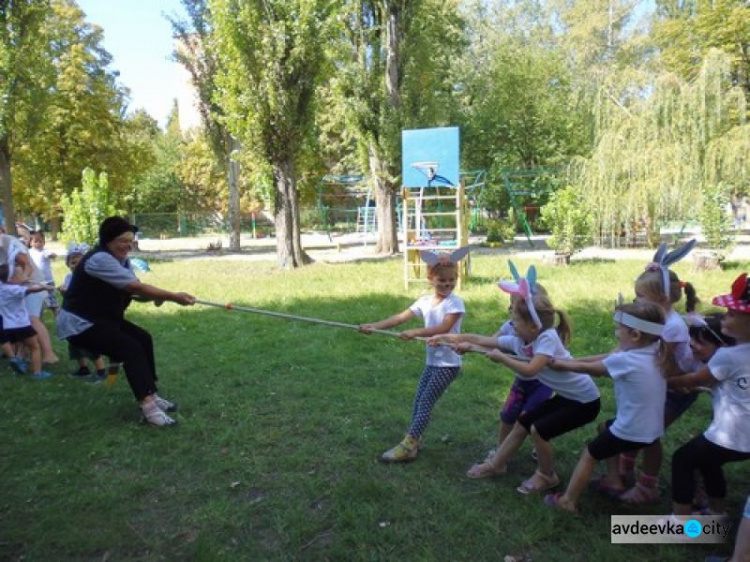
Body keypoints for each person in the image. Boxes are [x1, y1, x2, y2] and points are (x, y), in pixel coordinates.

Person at [435, 271, 600, 494]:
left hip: (585, 402)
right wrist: (449, 339)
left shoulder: (546, 339)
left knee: (538, 431)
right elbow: (482, 340)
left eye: (515, 321)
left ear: (532, 326)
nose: (511, 325)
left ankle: (546, 475)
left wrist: (502, 357)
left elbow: (531, 369)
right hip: (568, 397)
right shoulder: (521, 339)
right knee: (523, 423)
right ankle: (495, 465)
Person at [56, 217, 196, 427]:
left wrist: (158, 296)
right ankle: (149, 409)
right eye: (123, 240)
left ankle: (151, 394)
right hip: (80, 322)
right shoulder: (99, 259)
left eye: (131, 241)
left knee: (143, 338)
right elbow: (135, 288)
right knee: (130, 349)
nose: (128, 245)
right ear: (108, 240)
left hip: (103, 318)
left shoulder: (120, 262)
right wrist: (172, 296)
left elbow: (134, 290)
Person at [542, 301, 669, 513]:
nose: (617, 333)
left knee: (590, 453)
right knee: (603, 428)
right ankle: (613, 480)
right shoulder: (654, 349)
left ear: (635, 335)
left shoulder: (630, 360)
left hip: (631, 428)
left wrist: (562, 365)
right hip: (651, 426)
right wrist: (568, 360)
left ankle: (567, 501)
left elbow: (590, 368)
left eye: (619, 329)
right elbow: (606, 358)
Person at [359, 247, 470, 462]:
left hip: (448, 363)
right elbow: (400, 317)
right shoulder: (425, 302)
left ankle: (409, 444)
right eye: (442, 281)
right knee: (419, 400)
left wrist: (416, 332)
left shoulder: (455, 303)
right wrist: (375, 326)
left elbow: (444, 327)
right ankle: (415, 440)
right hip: (433, 361)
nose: (447, 285)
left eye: (451, 280)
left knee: (426, 401)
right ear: (431, 278)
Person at [618, 239, 697, 503]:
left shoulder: (672, 327)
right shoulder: (655, 319)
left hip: (676, 388)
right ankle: (625, 465)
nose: (635, 300)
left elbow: (664, 363)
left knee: (650, 434)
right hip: (659, 383)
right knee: (638, 428)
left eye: (640, 296)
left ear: (662, 298)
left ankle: (646, 486)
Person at [668, 273, 750, 519]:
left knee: (683, 459)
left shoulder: (728, 356)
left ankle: (680, 521)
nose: (725, 317)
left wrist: (662, 380)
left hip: (733, 436)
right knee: (708, 461)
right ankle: (717, 513)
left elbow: (694, 379)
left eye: (732, 314)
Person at [484, 262, 553, 463]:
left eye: (516, 306)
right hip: (521, 381)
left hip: (542, 383)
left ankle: (540, 449)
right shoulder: (509, 326)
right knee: (508, 415)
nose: (511, 310)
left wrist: (502, 356)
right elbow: (491, 343)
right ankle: (501, 452)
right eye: (511, 305)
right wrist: (463, 344)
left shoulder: (546, 334)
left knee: (529, 420)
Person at [0, 233, 59, 364]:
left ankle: (49, 354)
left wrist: (21, 281)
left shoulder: (9, 243)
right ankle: (20, 354)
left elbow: (27, 265)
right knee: (18, 319)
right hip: (12, 288)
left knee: (32, 319)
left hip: (31, 283)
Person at [58, 242, 109, 380]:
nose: (75, 265)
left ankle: (101, 371)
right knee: (74, 343)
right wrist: (64, 292)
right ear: (68, 265)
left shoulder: (89, 278)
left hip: (84, 317)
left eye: (78, 262)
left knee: (89, 344)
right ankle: (83, 368)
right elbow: (69, 297)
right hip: (71, 317)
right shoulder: (68, 278)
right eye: (72, 262)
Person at [0, 263, 55, 379]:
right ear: (11, 279)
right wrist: (44, 287)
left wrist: (22, 281)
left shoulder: (2, 287)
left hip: (6, 326)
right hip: (21, 325)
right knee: (34, 347)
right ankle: (37, 372)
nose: (24, 277)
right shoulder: (15, 289)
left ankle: (15, 359)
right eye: (20, 275)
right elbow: (31, 290)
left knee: (16, 343)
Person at [28, 230, 59, 315]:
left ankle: (58, 317)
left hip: (48, 281)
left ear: (44, 242)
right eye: (35, 241)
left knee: (53, 303)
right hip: (36, 282)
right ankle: (39, 320)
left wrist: (52, 255)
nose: (38, 243)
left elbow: (51, 254)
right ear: (30, 243)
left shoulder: (44, 251)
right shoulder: (29, 252)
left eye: (40, 241)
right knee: (38, 304)